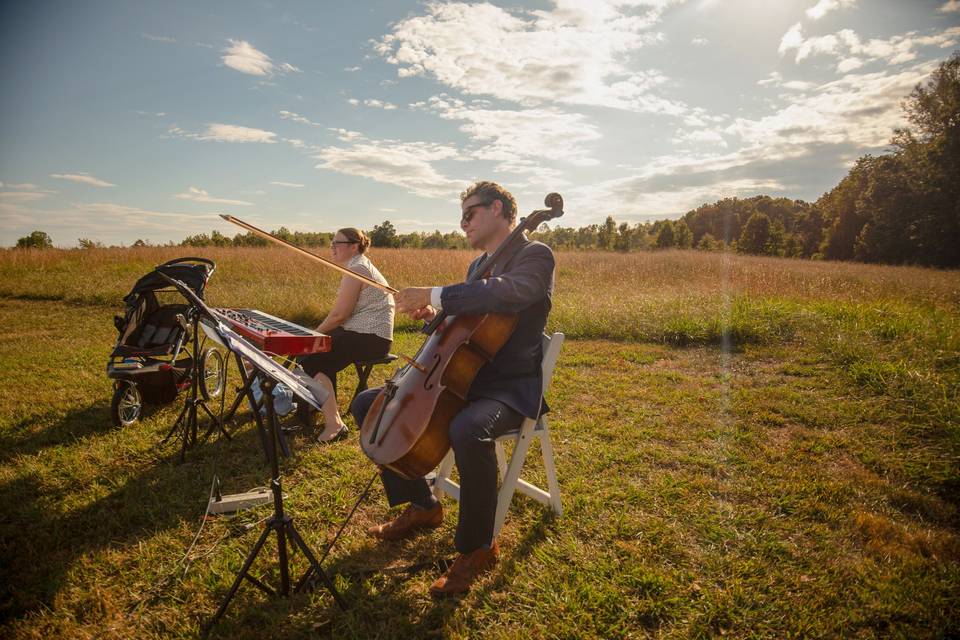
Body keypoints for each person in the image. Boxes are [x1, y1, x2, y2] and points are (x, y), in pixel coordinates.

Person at [350, 181, 555, 596]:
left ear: (498, 209)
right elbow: (460, 325)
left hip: (506, 388)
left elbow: (509, 294)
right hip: (458, 379)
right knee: (368, 404)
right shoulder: (476, 266)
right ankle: (423, 506)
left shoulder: (535, 256)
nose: (463, 224)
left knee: (467, 428)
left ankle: (479, 546)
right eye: (460, 216)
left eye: (470, 214)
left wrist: (437, 293)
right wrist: (434, 313)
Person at [299, 228, 394, 442]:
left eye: (337, 243)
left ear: (353, 246)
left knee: (312, 357)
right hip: (362, 333)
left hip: (371, 338)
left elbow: (340, 315)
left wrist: (311, 334)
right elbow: (340, 316)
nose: (332, 247)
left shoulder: (358, 268)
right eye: (331, 243)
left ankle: (335, 425)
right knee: (317, 352)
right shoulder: (356, 265)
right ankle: (319, 406)